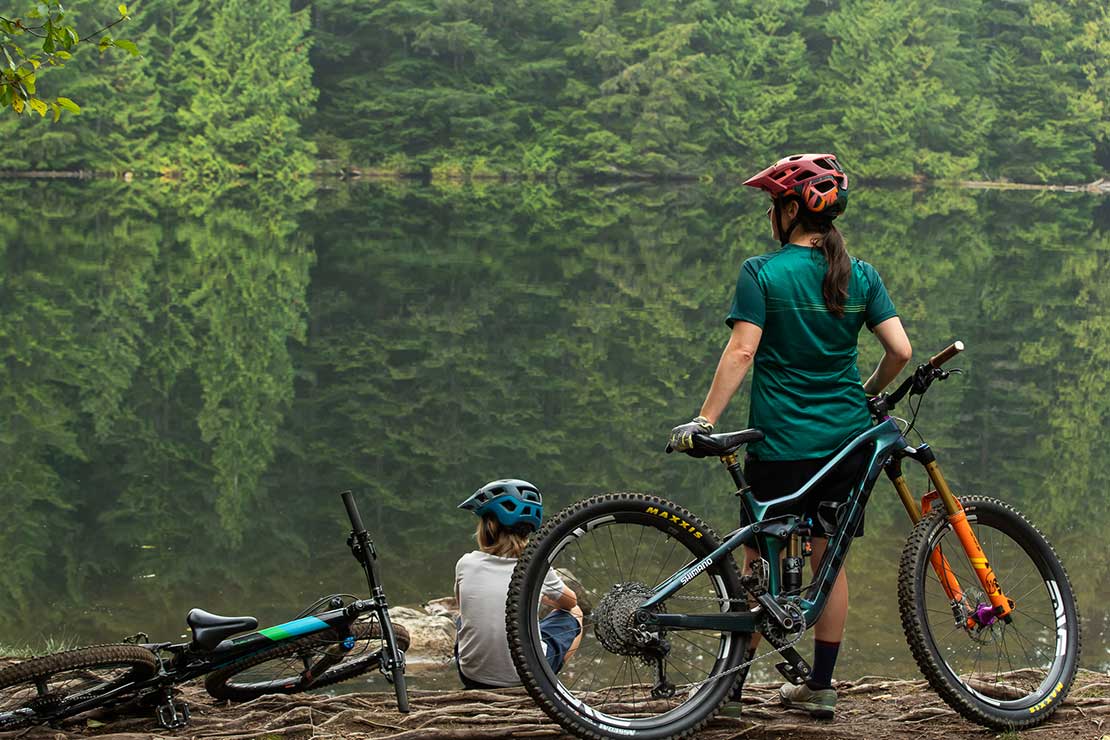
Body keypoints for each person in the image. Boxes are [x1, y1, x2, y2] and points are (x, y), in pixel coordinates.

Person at [668, 153, 912, 719]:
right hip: (846, 445)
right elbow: (899, 352)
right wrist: (867, 391)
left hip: (778, 445)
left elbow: (743, 350)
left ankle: (728, 692)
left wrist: (705, 421)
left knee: (757, 558)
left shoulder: (763, 272)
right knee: (830, 559)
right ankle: (821, 686)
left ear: (789, 210)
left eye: (773, 207)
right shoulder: (862, 274)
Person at [454, 479, 584, 689]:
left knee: (462, 619)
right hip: (528, 675)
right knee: (577, 613)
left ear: (489, 526)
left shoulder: (466, 563)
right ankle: (549, 682)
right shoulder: (537, 567)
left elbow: (463, 609)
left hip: (471, 675)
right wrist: (544, 596)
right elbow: (571, 603)